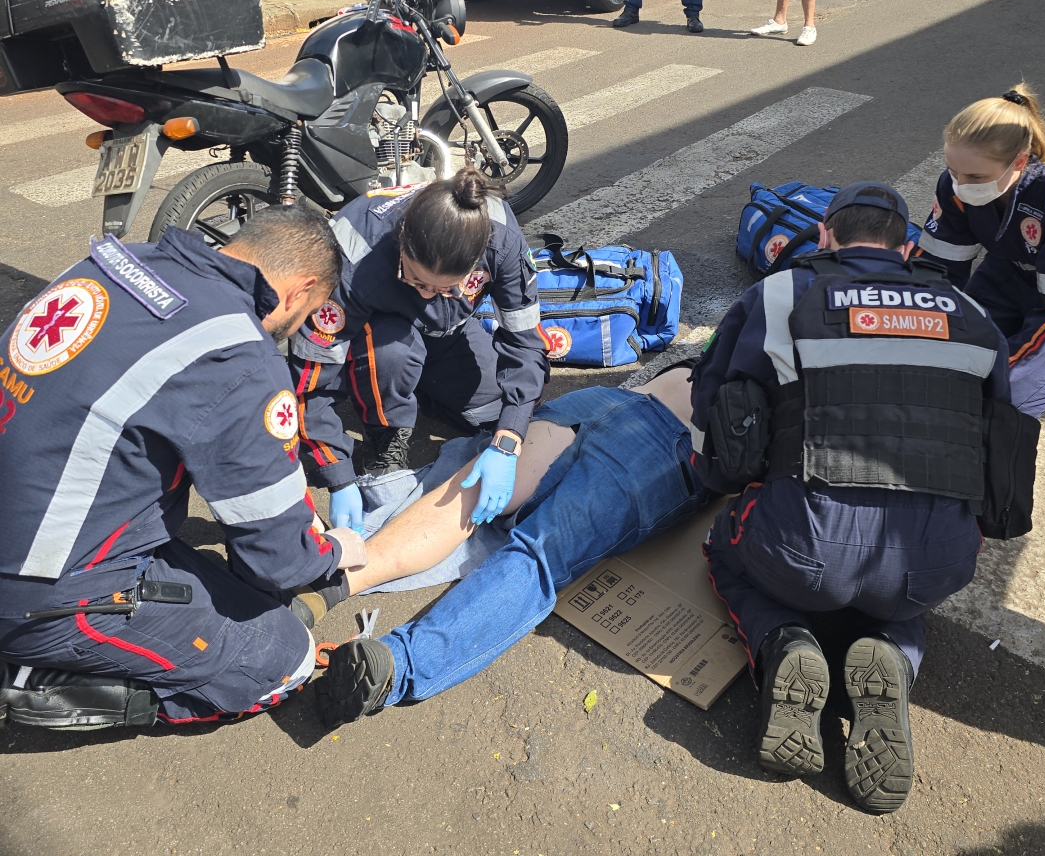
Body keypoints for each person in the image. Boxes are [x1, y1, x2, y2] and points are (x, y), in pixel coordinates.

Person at [690, 182, 1013, 813]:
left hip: (801, 550)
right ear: (909, 246)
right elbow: (1000, 442)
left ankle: (782, 638)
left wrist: (720, 483)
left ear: (827, 235)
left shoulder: (780, 293)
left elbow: (716, 412)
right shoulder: (971, 314)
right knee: (901, 595)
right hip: (935, 563)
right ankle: (893, 649)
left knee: (723, 548)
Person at [0, 208, 367, 728]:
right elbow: (278, 560)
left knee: (221, 589)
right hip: (37, 588)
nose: (299, 327)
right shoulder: (237, 354)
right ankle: (36, 676)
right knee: (283, 657)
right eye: (308, 313)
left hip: (29, 515)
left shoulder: (113, 265)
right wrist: (333, 551)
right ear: (299, 290)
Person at [308, 364, 709, 729]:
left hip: (613, 399)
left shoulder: (753, 315)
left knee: (471, 491)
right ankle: (399, 664)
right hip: (666, 446)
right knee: (541, 555)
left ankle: (330, 582)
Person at [290, 168, 548, 534]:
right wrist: (336, 473)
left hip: (449, 331)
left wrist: (508, 440)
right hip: (381, 338)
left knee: (492, 409)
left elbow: (524, 341)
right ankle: (385, 433)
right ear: (402, 240)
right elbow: (309, 379)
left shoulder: (501, 237)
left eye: (444, 288)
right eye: (415, 281)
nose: (427, 295)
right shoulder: (351, 250)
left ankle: (418, 390)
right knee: (394, 356)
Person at [916, 84, 1045, 418]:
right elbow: (935, 271)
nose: (961, 184)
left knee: (1001, 401)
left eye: (975, 176)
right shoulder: (957, 184)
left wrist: (1003, 373)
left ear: (1020, 160)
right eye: (952, 169)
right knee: (937, 364)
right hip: (1007, 275)